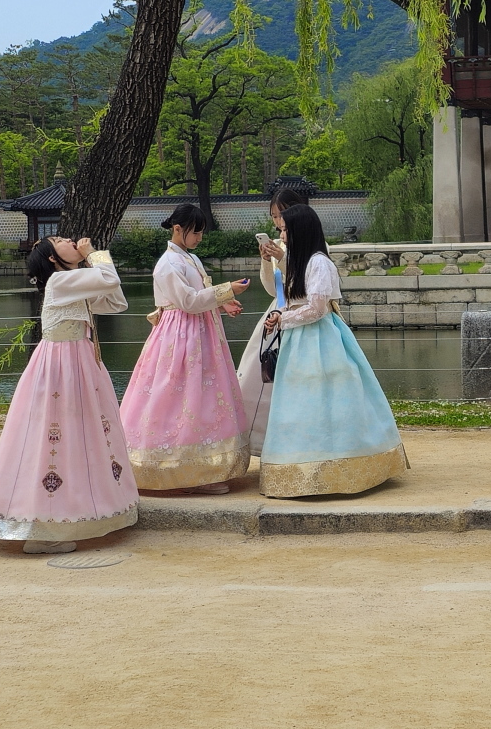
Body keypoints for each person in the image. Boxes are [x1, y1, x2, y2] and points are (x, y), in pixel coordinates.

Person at [0, 237, 137, 554]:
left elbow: (116, 301)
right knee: (57, 440)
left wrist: (93, 264)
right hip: (63, 367)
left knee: (72, 439)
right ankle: (45, 528)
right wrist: (93, 255)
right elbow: (110, 278)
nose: (68, 239)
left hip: (76, 364)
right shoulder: (61, 281)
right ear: (52, 258)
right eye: (60, 240)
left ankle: (62, 519)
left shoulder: (72, 282)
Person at [259, 204, 408, 498]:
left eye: (286, 229)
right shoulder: (301, 261)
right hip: (299, 339)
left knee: (330, 399)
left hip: (319, 338)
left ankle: (341, 468)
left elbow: (317, 308)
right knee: (302, 401)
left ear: (300, 231)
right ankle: (303, 469)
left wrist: (283, 318)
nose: (282, 235)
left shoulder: (319, 263)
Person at [120, 204, 251, 494]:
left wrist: (221, 301)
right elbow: (188, 302)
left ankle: (202, 469)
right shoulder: (168, 264)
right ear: (178, 229)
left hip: (196, 332)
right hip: (180, 335)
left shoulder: (188, 259)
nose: (200, 238)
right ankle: (177, 469)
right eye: (196, 232)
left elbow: (197, 295)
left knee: (202, 397)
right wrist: (225, 290)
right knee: (179, 397)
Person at [237, 189, 304, 457]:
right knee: (261, 372)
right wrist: (267, 262)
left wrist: (282, 258)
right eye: (274, 216)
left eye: (282, 215)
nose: (278, 222)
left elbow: (305, 284)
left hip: (299, 311)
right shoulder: (280, 244)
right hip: (276, 312)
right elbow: (272, 290)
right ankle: (261, 441)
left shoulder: (311, 243)